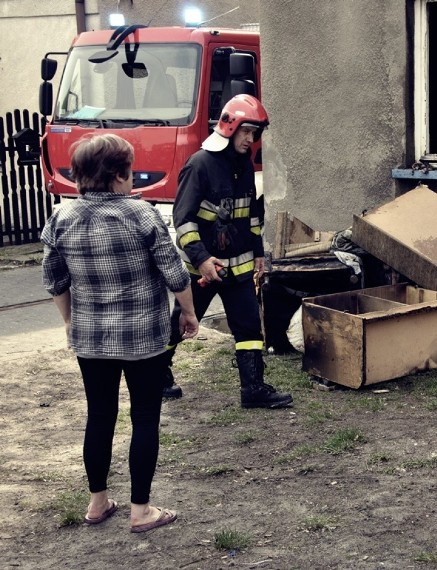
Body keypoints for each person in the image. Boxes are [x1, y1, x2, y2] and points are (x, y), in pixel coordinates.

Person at [41, 134, 199, 533]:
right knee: (144, 417)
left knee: (99, 416)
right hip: (143, 336)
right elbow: (175, 273)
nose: (133, 177)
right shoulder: (141, 215)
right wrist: (188, 312)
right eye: (130, 170)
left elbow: (54, 279)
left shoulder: (61, 218)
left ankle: (97, 504)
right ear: (117, 174)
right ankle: (141, 510)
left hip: (90, 338)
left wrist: (67, 320)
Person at [162, 94, 293, 409]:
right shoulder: (200, 164)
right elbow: (183, 220)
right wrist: (202, 259)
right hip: (202, 270)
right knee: (180, 323)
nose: (251, 139)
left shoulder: (244, 166)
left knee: (248, 326)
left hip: (239, 271)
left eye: (255, 133)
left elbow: (250, 217)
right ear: (229, 127)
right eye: (247, 131)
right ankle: (156, 374)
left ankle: (253, 389)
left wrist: (258, 252)